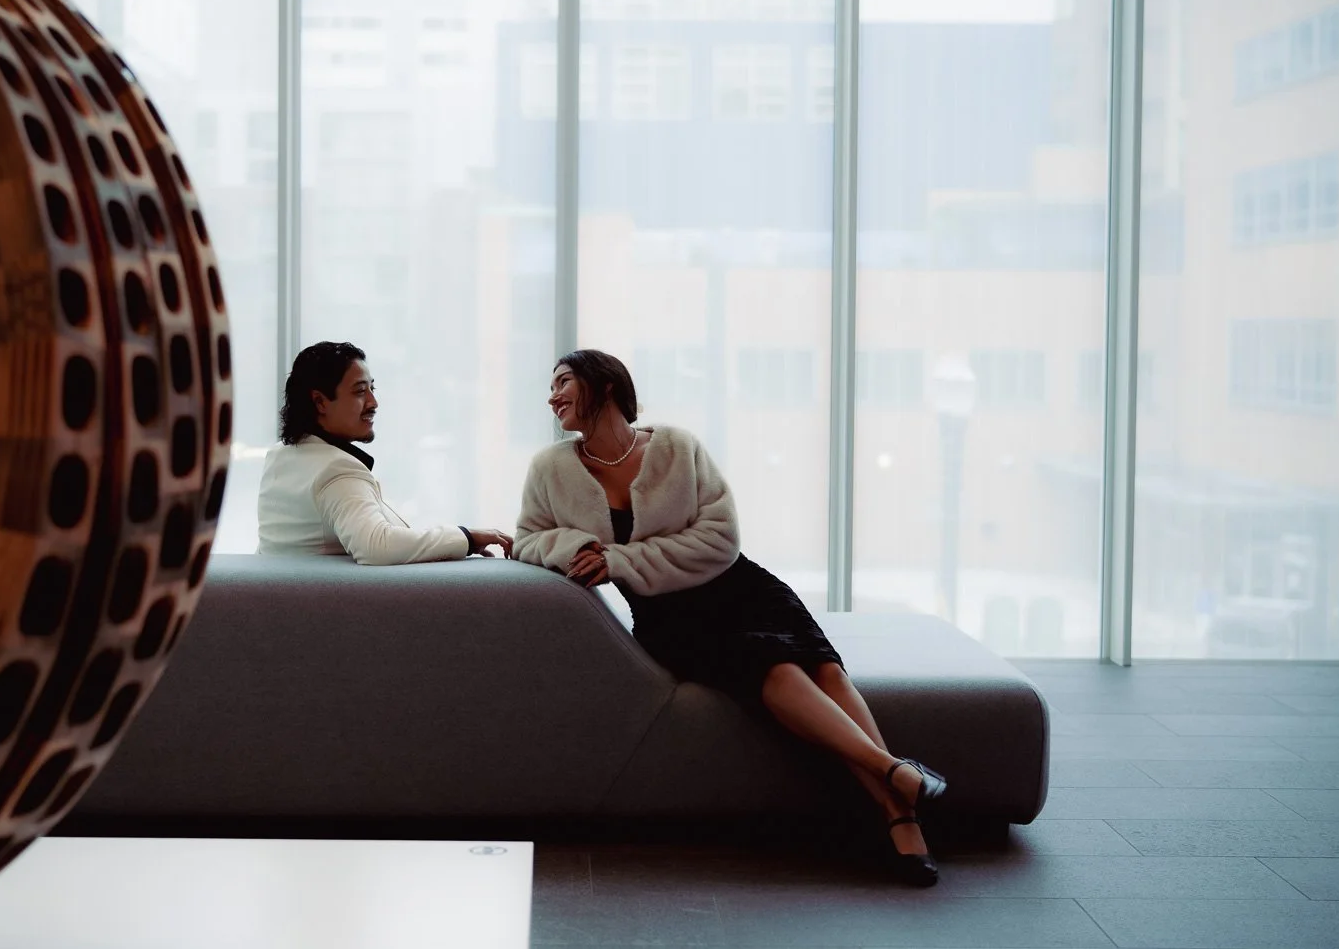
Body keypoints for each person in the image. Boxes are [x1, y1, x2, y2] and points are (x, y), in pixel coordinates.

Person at [512, 349, 948, 886]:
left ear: (603, 387)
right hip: (671, 617)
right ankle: (896, 779)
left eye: (562, 382)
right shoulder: (549, 468)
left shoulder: (676, 446)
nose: (552, 396)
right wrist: (577, 545)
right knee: (780, 672)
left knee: (829, 672)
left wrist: (620, 558)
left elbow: (720, 537)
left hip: (741, 588)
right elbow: (528, 540)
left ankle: (900, 815)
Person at [258, 341, 512, 563]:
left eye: (372, 389)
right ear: (320, 402)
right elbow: (376, 546)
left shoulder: (282, 456)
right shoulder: (335, 470)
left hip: (287, 605)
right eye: (359, 391)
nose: (373, 402)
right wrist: (465, 537)